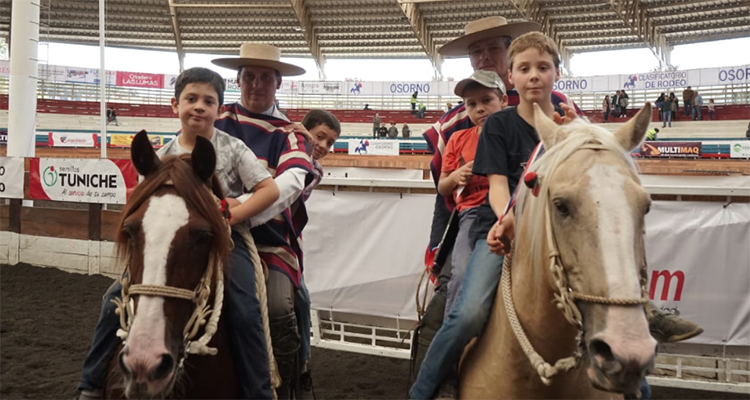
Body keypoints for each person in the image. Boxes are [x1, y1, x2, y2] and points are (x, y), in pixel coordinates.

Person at [75, 67, 280, 400]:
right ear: (175, 105)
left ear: (219, 109)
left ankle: (259, 391)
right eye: (191, 99)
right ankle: (90, 384)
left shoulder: (233, 147)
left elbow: (268, 189)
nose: (199, 106)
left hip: (229, 240)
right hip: (169, 242)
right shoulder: (162, 155)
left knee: (244, 305)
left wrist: (230, 212)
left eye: (208, 101)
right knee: (113, 299)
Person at [411, 31, 568, 400]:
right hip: (495, 225)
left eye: (542, 68)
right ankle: (425, 390)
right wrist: (507, 219)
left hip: (554, 229)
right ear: (512, 77)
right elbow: (497, 186)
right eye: (525, 68)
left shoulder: (569, 124)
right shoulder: (496, 124)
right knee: (465, 311)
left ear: (556, 73)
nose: (534, 76)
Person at [212, 43, 315, 399]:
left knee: (277, 308)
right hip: (208, 235)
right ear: (238, 80)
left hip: (267, 241)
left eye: (266, 78)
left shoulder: (291, 134)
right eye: (250, 77)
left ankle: (286, 387)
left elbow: (290, 184)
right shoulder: (214, 119)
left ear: (279, 84)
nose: (257, 84)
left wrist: (233, 209)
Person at [437, 70, 507, 319]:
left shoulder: (515, 135)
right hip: (472, 214)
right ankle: (452, 337)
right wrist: (455, 177)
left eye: (487, 100)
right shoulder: (457, 139)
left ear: (504, 101)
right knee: (461, 276)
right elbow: (442, 187)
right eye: (472, 104)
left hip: (512, 213)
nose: (480, 109)